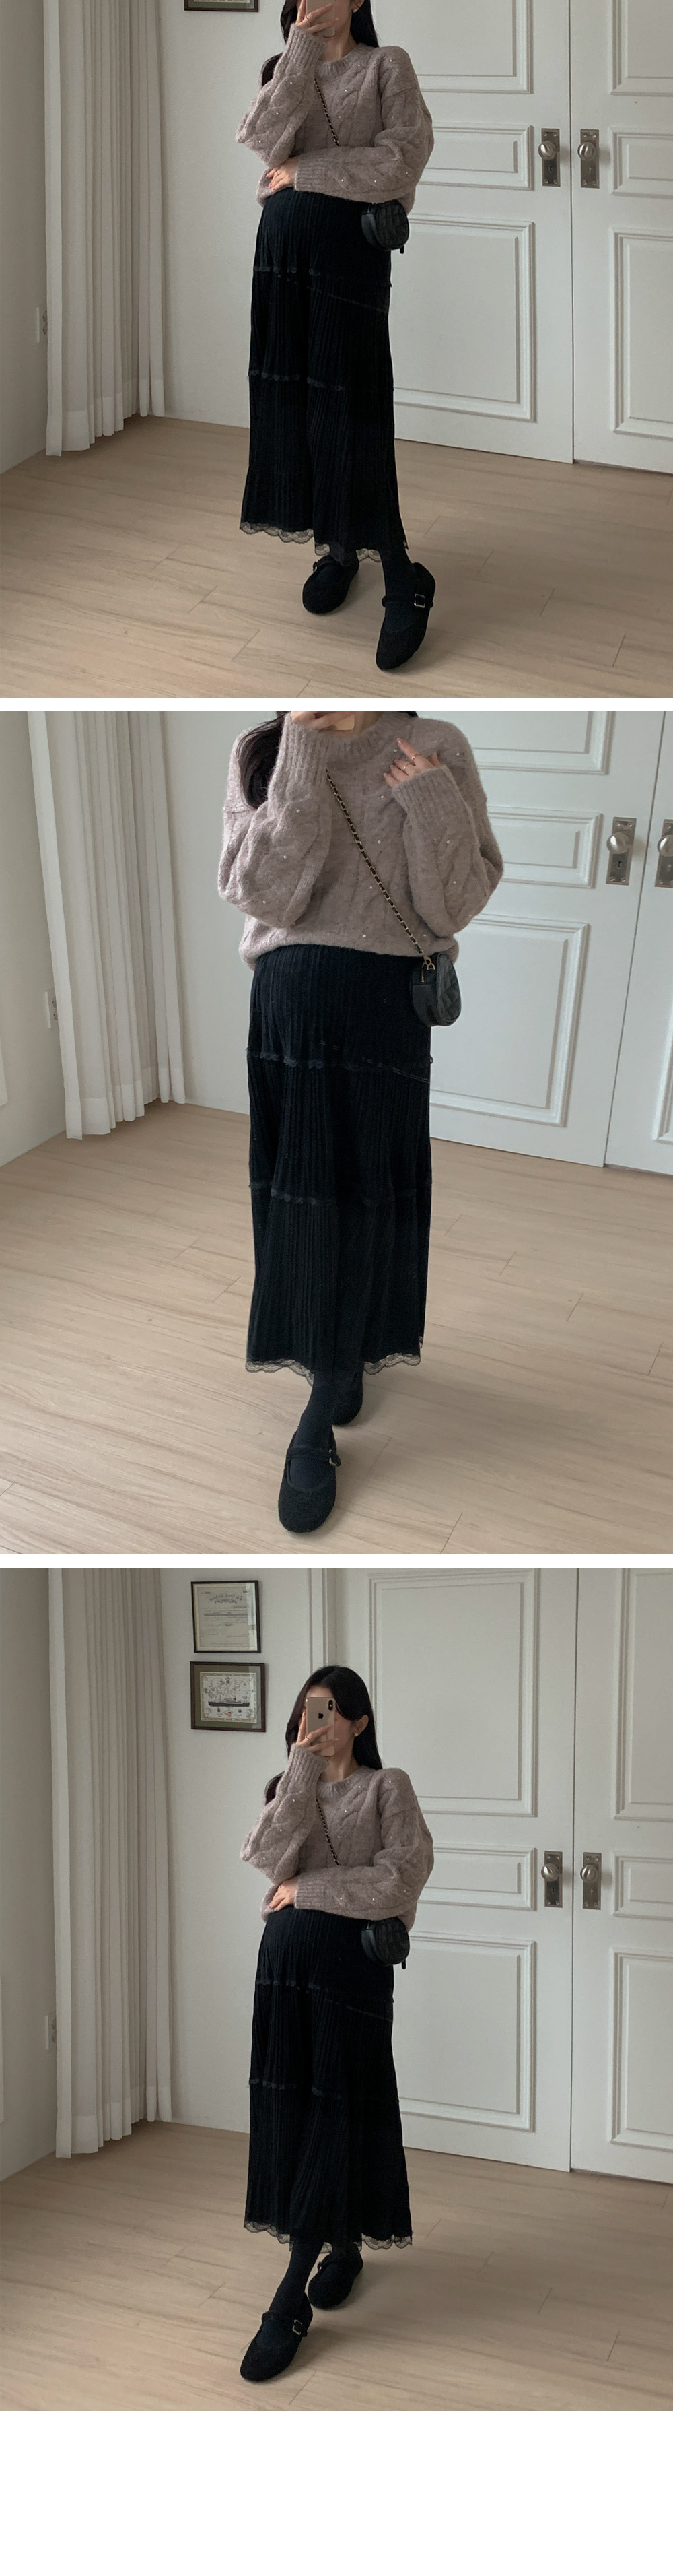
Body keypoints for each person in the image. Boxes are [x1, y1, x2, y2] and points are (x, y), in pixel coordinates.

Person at [218, 706, 503, 1533]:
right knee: (303, 1202)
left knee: (373, 1198)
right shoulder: (266, 747)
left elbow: (452, 906)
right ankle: (324, 1386)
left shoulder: (436, 744)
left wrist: (432, 799)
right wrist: (303, 757)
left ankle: (334, 1376)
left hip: (386, 1011)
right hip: (292, 1007)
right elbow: (261, 892)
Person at [236, 0, 435, 673]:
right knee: (299, 407)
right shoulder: (281, 71)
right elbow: (261, 143)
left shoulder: (388, 67)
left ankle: (403, 577)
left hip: (350, 263)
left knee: (354, 408)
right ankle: (337, 548)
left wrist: (306, 171)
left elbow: (400, 163)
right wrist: (297, 53)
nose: (311, 2)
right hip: (282, 260)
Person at [238, 1663, 434, 2384]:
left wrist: (308, 1888)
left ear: (358, 1721)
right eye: (305, 1713)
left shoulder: (388, 1788)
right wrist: (298, 1769)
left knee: (337, 2113)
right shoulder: (286, 1789)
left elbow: (399, 1880)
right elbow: (263, 1860)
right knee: (297, 2114)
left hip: (351, 1981)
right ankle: (341, 2246)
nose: (314, 1723)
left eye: (327, 1712)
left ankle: (291, 2297)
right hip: (284, 1976)